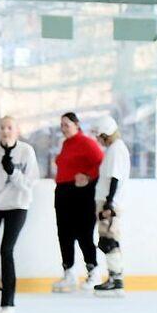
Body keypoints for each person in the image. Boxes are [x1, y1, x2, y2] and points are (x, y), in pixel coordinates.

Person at [0, 115, 39, 313]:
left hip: (17, 205)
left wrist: (13, 172)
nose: (5, 131)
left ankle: (8, 303)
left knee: (6, 250)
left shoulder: (26, 151)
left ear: (17, 130)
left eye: (10, 127)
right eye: (2, 127)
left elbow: (29, 184)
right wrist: (2, 171)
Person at [51, 112, 104, 292]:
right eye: (61, 125)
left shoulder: (87, 142)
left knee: (84, 233)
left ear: (77, 124)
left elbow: (101, 163)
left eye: (67, 124)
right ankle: (69, 273)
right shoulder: (66, 144)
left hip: (81, 194)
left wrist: (88, 176)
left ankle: (93, 271)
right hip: (63, 192)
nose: (63, 128)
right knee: (64, 233)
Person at [92, 116, 130, 296]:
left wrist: (108, 202)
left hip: (110, 203)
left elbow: (114, 177)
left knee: (109, 240)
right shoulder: (115, 149)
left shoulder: (116, 149)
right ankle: (115, 278)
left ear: (106, 134)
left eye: (100, 136)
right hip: (110, 201)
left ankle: (116, 280)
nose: (98, 140)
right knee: (107, 239)